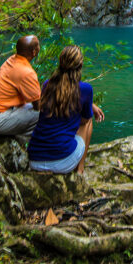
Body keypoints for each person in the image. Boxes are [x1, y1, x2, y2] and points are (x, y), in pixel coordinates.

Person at [28, 45, 105, 174]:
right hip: (62, 163)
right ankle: (80, 169)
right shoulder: (86, 89)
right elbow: (84, 120)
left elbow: (64, 95)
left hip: (35, 160)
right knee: (88, 122)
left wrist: (90, 104)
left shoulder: (48, 84)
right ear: (80, 64)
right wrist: (89, 106)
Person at [0, 35, 42, 138]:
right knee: (44, 114)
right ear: (34, 52)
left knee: (31, 107)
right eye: (38, 45)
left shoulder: (12, 59)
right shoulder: (26, 72)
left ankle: (18, 137)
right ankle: (23, 140)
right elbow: (38, 106)